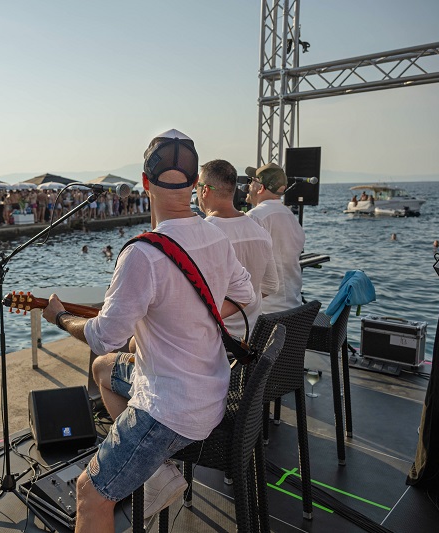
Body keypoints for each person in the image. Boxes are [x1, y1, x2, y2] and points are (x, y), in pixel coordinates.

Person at [41, 129, 237, 531]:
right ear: (195, 184)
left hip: (170, 409)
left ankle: (151, 462)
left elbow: (102, 337)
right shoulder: (216, 235)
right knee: (104, 371)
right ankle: (157, 471)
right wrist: (185, 315)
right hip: (213, 389)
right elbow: (247, 293)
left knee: (89, 494)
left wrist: (60, 318)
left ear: (145, 183)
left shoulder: (142, 254)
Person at [197, 159, 279, 338]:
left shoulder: (201, 235)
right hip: (251, 338)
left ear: (205, 190)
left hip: (215, 341)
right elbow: (272, 286)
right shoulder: (261, 232)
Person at [245, 162, 306, 313]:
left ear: (261, 187)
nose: (248, 186)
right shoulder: (290, 216)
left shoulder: (255, 216)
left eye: (251, 181)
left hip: (266, 312)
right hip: (293, 308)